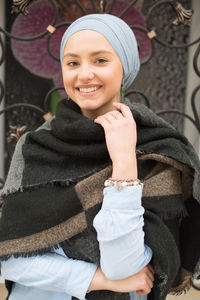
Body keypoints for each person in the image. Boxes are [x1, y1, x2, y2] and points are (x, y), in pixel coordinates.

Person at [0, 13, 200, 300]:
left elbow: (125, 267)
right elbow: (11, 258)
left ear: (125, 67)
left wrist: (124, 165)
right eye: (72, 63)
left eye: (100, 60)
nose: (83, 74)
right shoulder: (36, 147)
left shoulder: (157, 150)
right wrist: (95, 279)